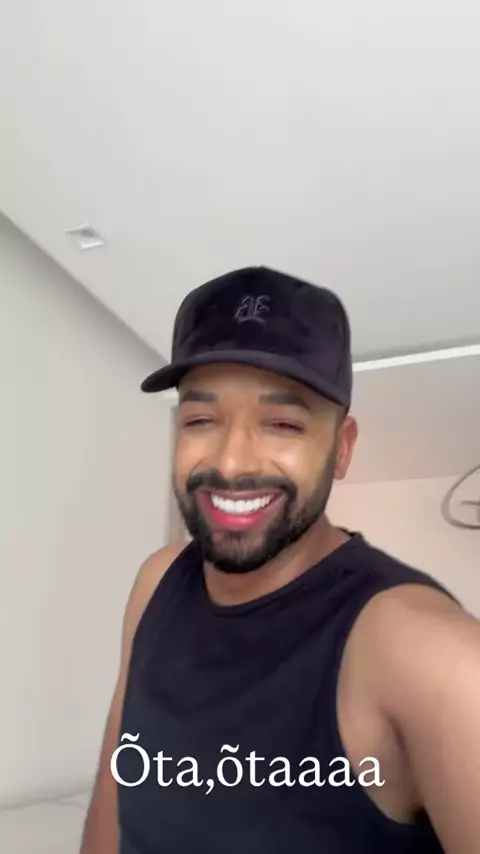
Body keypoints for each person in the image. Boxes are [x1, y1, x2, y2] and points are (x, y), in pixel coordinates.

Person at [80, 267, 480, 854]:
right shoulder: (156, 583)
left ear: (341, 449)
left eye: (283, 424)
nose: (232, 462)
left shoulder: (435, 659)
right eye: (200, 420)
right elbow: (112, 819)